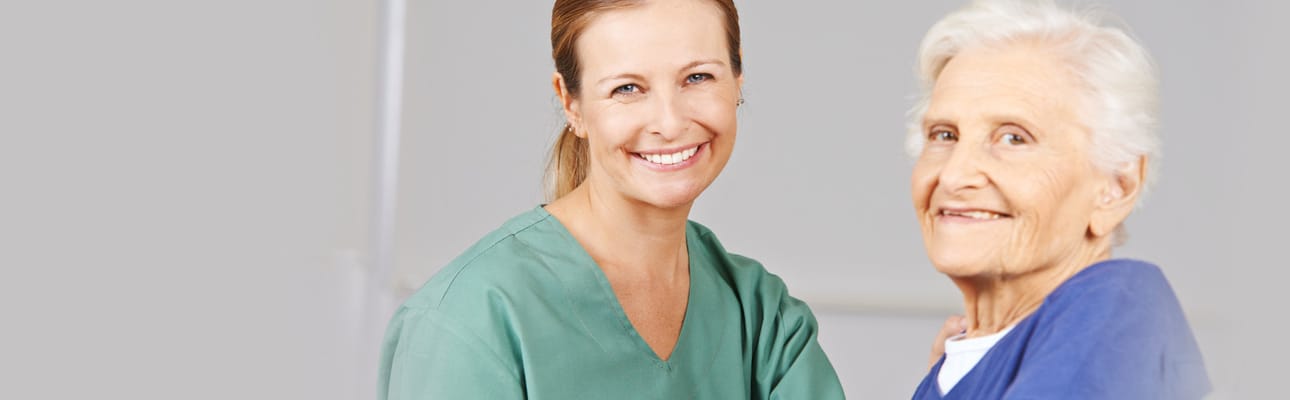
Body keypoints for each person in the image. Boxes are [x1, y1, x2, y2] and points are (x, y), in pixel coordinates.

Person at [376, 0, 844, 398]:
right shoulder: (469, 321)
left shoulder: (761, 317)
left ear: (738, 76)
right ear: (571, 103)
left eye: (697, 77)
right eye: (627, 88)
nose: (669, 121)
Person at [905, 0, 1211, 398]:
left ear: (1116, 186)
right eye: (944, 135)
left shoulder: (1119, 310)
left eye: (1014, 137)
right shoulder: (956, 368)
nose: (955, 174)